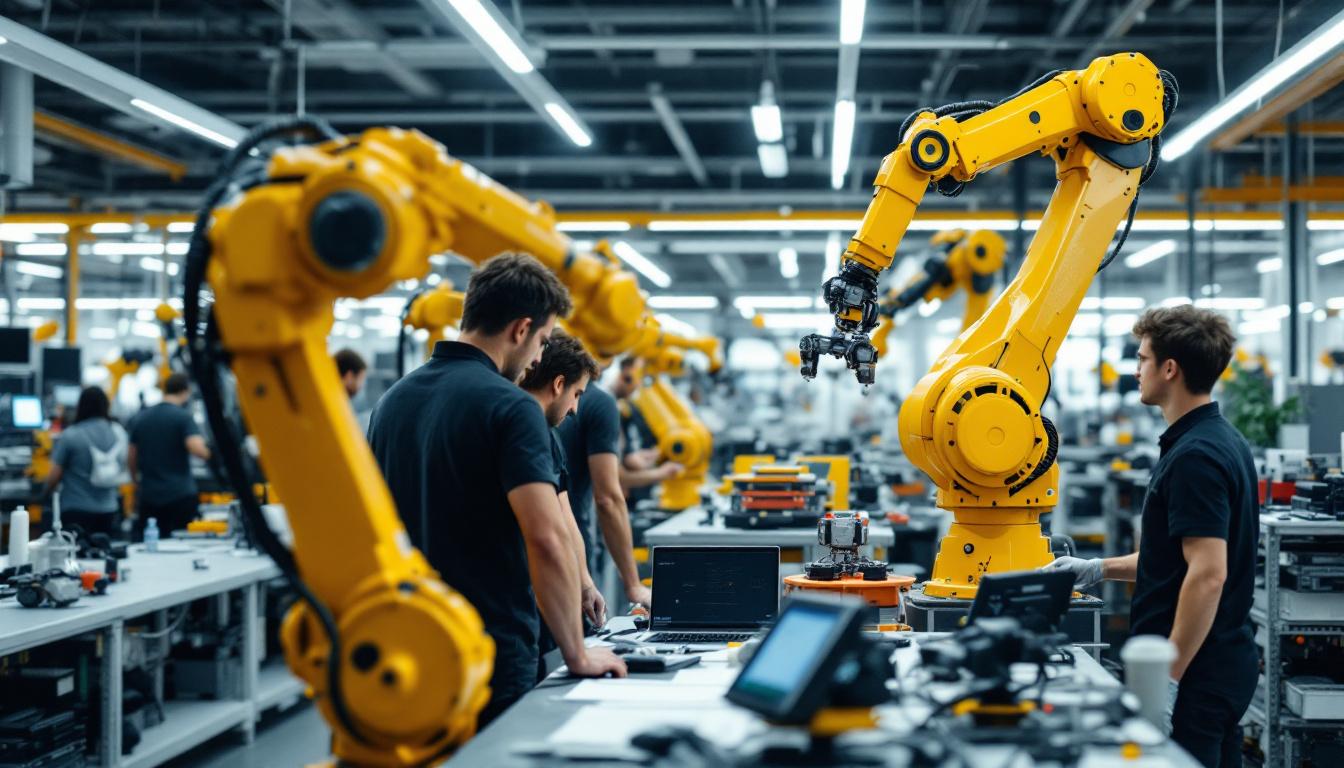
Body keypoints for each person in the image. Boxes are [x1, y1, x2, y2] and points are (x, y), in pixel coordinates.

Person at [368, 253, 625, 727]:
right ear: (521, 329)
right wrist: (577, 654)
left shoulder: (391, 401)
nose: (537, 359)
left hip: (407, 638)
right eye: (543, 341)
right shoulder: (511, 408)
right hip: (488, 644)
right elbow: (546, 539)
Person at [1043, 306, 1255, 768]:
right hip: (1219, 666)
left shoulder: (1196, 455)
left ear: (1170, 369)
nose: (1136, 370)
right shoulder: (1219, 440)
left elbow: (1208, 575)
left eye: (1142, 359)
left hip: (1196, 676)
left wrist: (1168, 679)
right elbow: (1178, 557)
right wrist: (1098, 570)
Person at [518, 330, 606, 677]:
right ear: (558, 384)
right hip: (521, 614)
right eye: (576, 394)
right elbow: (551, 533)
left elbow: (564, 514)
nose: (575, 409)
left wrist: (584, 584)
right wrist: (577, 654)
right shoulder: (526, 427)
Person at [128, 373, 211, 535]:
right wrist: (212, 454)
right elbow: (197, 449)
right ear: (185, 391)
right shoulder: (183, 417)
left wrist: (136, 482)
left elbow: (131, 457)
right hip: (179, 496)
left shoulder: (142, 417)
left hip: (150, 496)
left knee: (151, 546)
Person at [44, 387, 127, 537]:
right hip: (110, 509)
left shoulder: (71, 435)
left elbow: (54, 476)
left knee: (76, 557)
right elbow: (122, 467)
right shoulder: (118, 432)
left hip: (76, 510)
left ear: (81, 406)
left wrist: (45, 494)